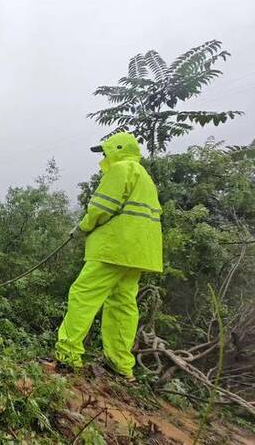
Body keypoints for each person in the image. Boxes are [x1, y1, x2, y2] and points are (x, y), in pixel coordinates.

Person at [54, 132, 163, 380]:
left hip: (113, 248)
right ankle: (121, 364)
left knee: (83, 294)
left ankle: (68, 354)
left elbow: (102, 206)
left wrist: (83, 227)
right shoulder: (144, 176)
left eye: (105, 152)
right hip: (139, 253)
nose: (103, 158)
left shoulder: (122, 168)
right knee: (123, 304)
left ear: (117, 150)